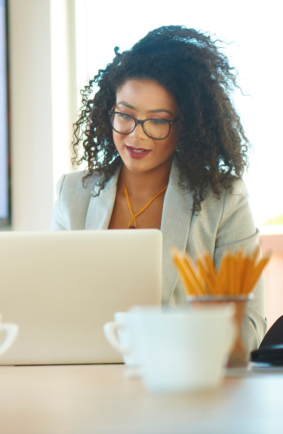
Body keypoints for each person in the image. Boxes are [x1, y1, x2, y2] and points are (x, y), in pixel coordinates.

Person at [50, 26, 266, 352]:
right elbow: (51, 306)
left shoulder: (223, 198)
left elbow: (251, 329)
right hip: (93, 379)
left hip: (186, 384)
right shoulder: (73, 193)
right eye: (125, 116)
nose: (136, 136)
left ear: (186, 126)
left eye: (158, 120)